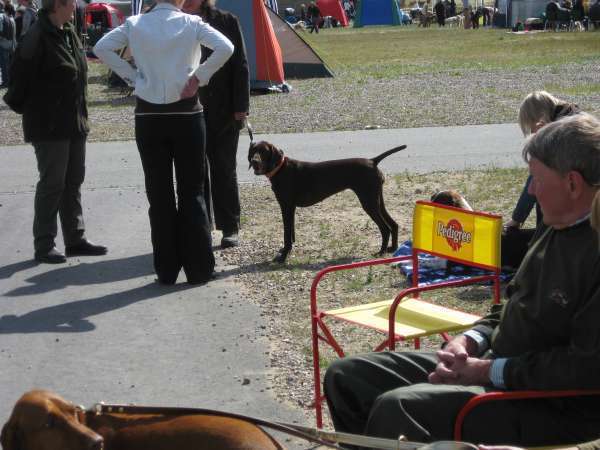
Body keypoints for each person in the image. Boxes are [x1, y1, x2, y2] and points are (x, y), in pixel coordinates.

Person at [324, 112, 600, 447]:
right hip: (497, 366)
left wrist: (486, 371)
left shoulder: (593, 248)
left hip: (551, 403)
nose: (531, 190)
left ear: (572, 183)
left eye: (536, 179)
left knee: (397, 408)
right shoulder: (555, 227)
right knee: (346, 377)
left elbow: (584, 367)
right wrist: (469, 341)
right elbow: (510, 305)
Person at [93, 0, 233, 284]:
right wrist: (200, 77)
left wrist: (133, 77)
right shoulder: (192, 23)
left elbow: (100, 49)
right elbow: (226, 48)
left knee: (159, 195)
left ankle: (166, 270)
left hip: (148, 116)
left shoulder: (134, 24)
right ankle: (199, 269)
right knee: (192, 192)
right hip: (187, 115)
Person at [2, 0, 107, 263]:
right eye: (71, 2)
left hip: (74, 122)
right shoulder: (36, 36)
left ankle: (75, 238)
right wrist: (40, 112)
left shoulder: (68, 31)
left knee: (73, 182)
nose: (76, 7)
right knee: (52, 184)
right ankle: (44, 243)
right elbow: (17, 83)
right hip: (49, 126)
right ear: (58, 5)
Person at [182, 0, 249, 249]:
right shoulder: (174, 21)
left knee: (224, 169)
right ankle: (201, 227)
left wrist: (241, 106)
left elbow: (240, 63)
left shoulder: (226, 21)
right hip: (186, 109)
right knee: (194, 172)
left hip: (223, 109)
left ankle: (230, 226)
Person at [502, 91, 580, 268]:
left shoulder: (558, 130)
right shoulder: (572, 115)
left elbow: (538, 178)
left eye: (531, 127)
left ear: (539, 118)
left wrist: (516, 218)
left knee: (545, 197)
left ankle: (545, 259)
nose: (532, 132)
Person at [0, 1, 16, 87]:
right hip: (11, 44)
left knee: (3, 64)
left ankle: (5, 82)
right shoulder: (11, 18)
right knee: (9, 64)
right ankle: (10, 81)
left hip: (3, 44)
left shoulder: (1, 17)